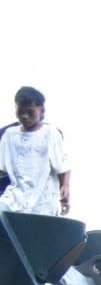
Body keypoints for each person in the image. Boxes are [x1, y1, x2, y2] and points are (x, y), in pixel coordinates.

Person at [0, 87, 71, 215]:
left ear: (41, 111)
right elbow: (2, 168)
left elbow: (63, 167)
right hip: (15, 196)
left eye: (30, 112)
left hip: (43, 198)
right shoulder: (9, 135)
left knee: (37, 225)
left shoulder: (50, 134)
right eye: (21, 111)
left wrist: (65, 189)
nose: (25, 116)